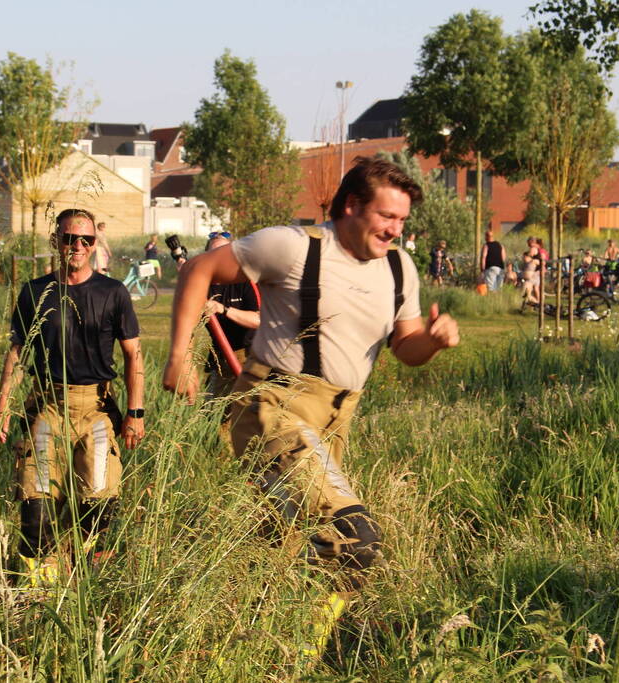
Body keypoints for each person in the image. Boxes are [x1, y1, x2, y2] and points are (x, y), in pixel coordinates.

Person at [162, 157, 459, 656]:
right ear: (351, 205)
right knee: (355, 538)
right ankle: (305, 646)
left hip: (335, 420)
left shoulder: (398, 266)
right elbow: (198, 270)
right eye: (387, 217)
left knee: (279, 544)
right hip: (273, 406)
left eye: (403, 221)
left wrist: (430, 340)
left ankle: (253, 643)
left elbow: (405, 346)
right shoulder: (293, 246)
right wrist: (179, 356)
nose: (395, 229)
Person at [0, 208, 145, 586]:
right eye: (69, 238)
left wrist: (135, 413)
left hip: (95, 410)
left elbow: (133, 356)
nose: (77, 246)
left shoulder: (113, 292)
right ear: (56, 241)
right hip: (48, 407)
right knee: (37, 507)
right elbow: (16, 353)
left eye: (85, 240)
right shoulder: (34, 292)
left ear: (95, 245)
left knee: (98, 502)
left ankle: (84, 582)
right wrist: (2, 407)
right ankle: (36, 591)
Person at [202, 234, 260, 398]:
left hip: (247, 354)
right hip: (219, 356)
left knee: (246, 410)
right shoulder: (201, 284)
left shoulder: (244, 281)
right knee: (213, 413)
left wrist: (223, 309)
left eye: (225, 252)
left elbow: (258, 320)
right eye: (214, 252)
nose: (219, 257)